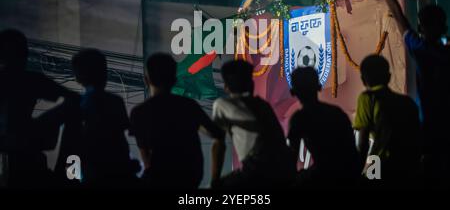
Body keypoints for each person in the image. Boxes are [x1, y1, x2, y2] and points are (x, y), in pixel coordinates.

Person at [374, 0, 450, 182]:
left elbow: (397, 12)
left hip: (430, 128)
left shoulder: (420, 48)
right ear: (444, 26)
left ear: (420, 27)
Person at [130, 53, 225, 189]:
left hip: (159, 179)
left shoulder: (139, 112)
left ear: (146, 80)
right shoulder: (189, 106)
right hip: (190, 177)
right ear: (174, 80)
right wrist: (215, 178)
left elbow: (146, 157)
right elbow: (218, 134)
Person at [0, 29, 79, 188]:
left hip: (24, 143)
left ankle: (71, 176)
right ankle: (72, 176)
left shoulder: (29, 80)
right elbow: (73, 99)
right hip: (24, 142)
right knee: (74, 112)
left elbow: (72, 99)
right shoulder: (29, 80)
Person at [54, 49, 139, 187]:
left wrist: (68, 178)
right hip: (118, 177)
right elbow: (121, 143)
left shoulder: (76, 105)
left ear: (77, 77)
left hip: (93, 176)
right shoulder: (115, 102)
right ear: (105, 74)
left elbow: (68, 148)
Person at [211, 60, 295, 189]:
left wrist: (214, 181)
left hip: (256, 171)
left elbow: (219, 144)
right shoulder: (264, 106)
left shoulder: (222, 105)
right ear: (251, 83)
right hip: (284, 171)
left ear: (226, 87)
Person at [287, 67, 361, 186]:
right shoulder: (337, 113)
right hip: (348, 176)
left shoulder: (300, 119)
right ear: (318, 87)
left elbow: (292, 156)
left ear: (294, 92)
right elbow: (351, 152)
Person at [353, 55, 421, 182]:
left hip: (379, 164)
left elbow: (363, 142)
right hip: (407, 167)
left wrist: (357, 171)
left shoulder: (367, 98)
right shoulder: (408, 103)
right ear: (388, 77)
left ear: (363, 80)